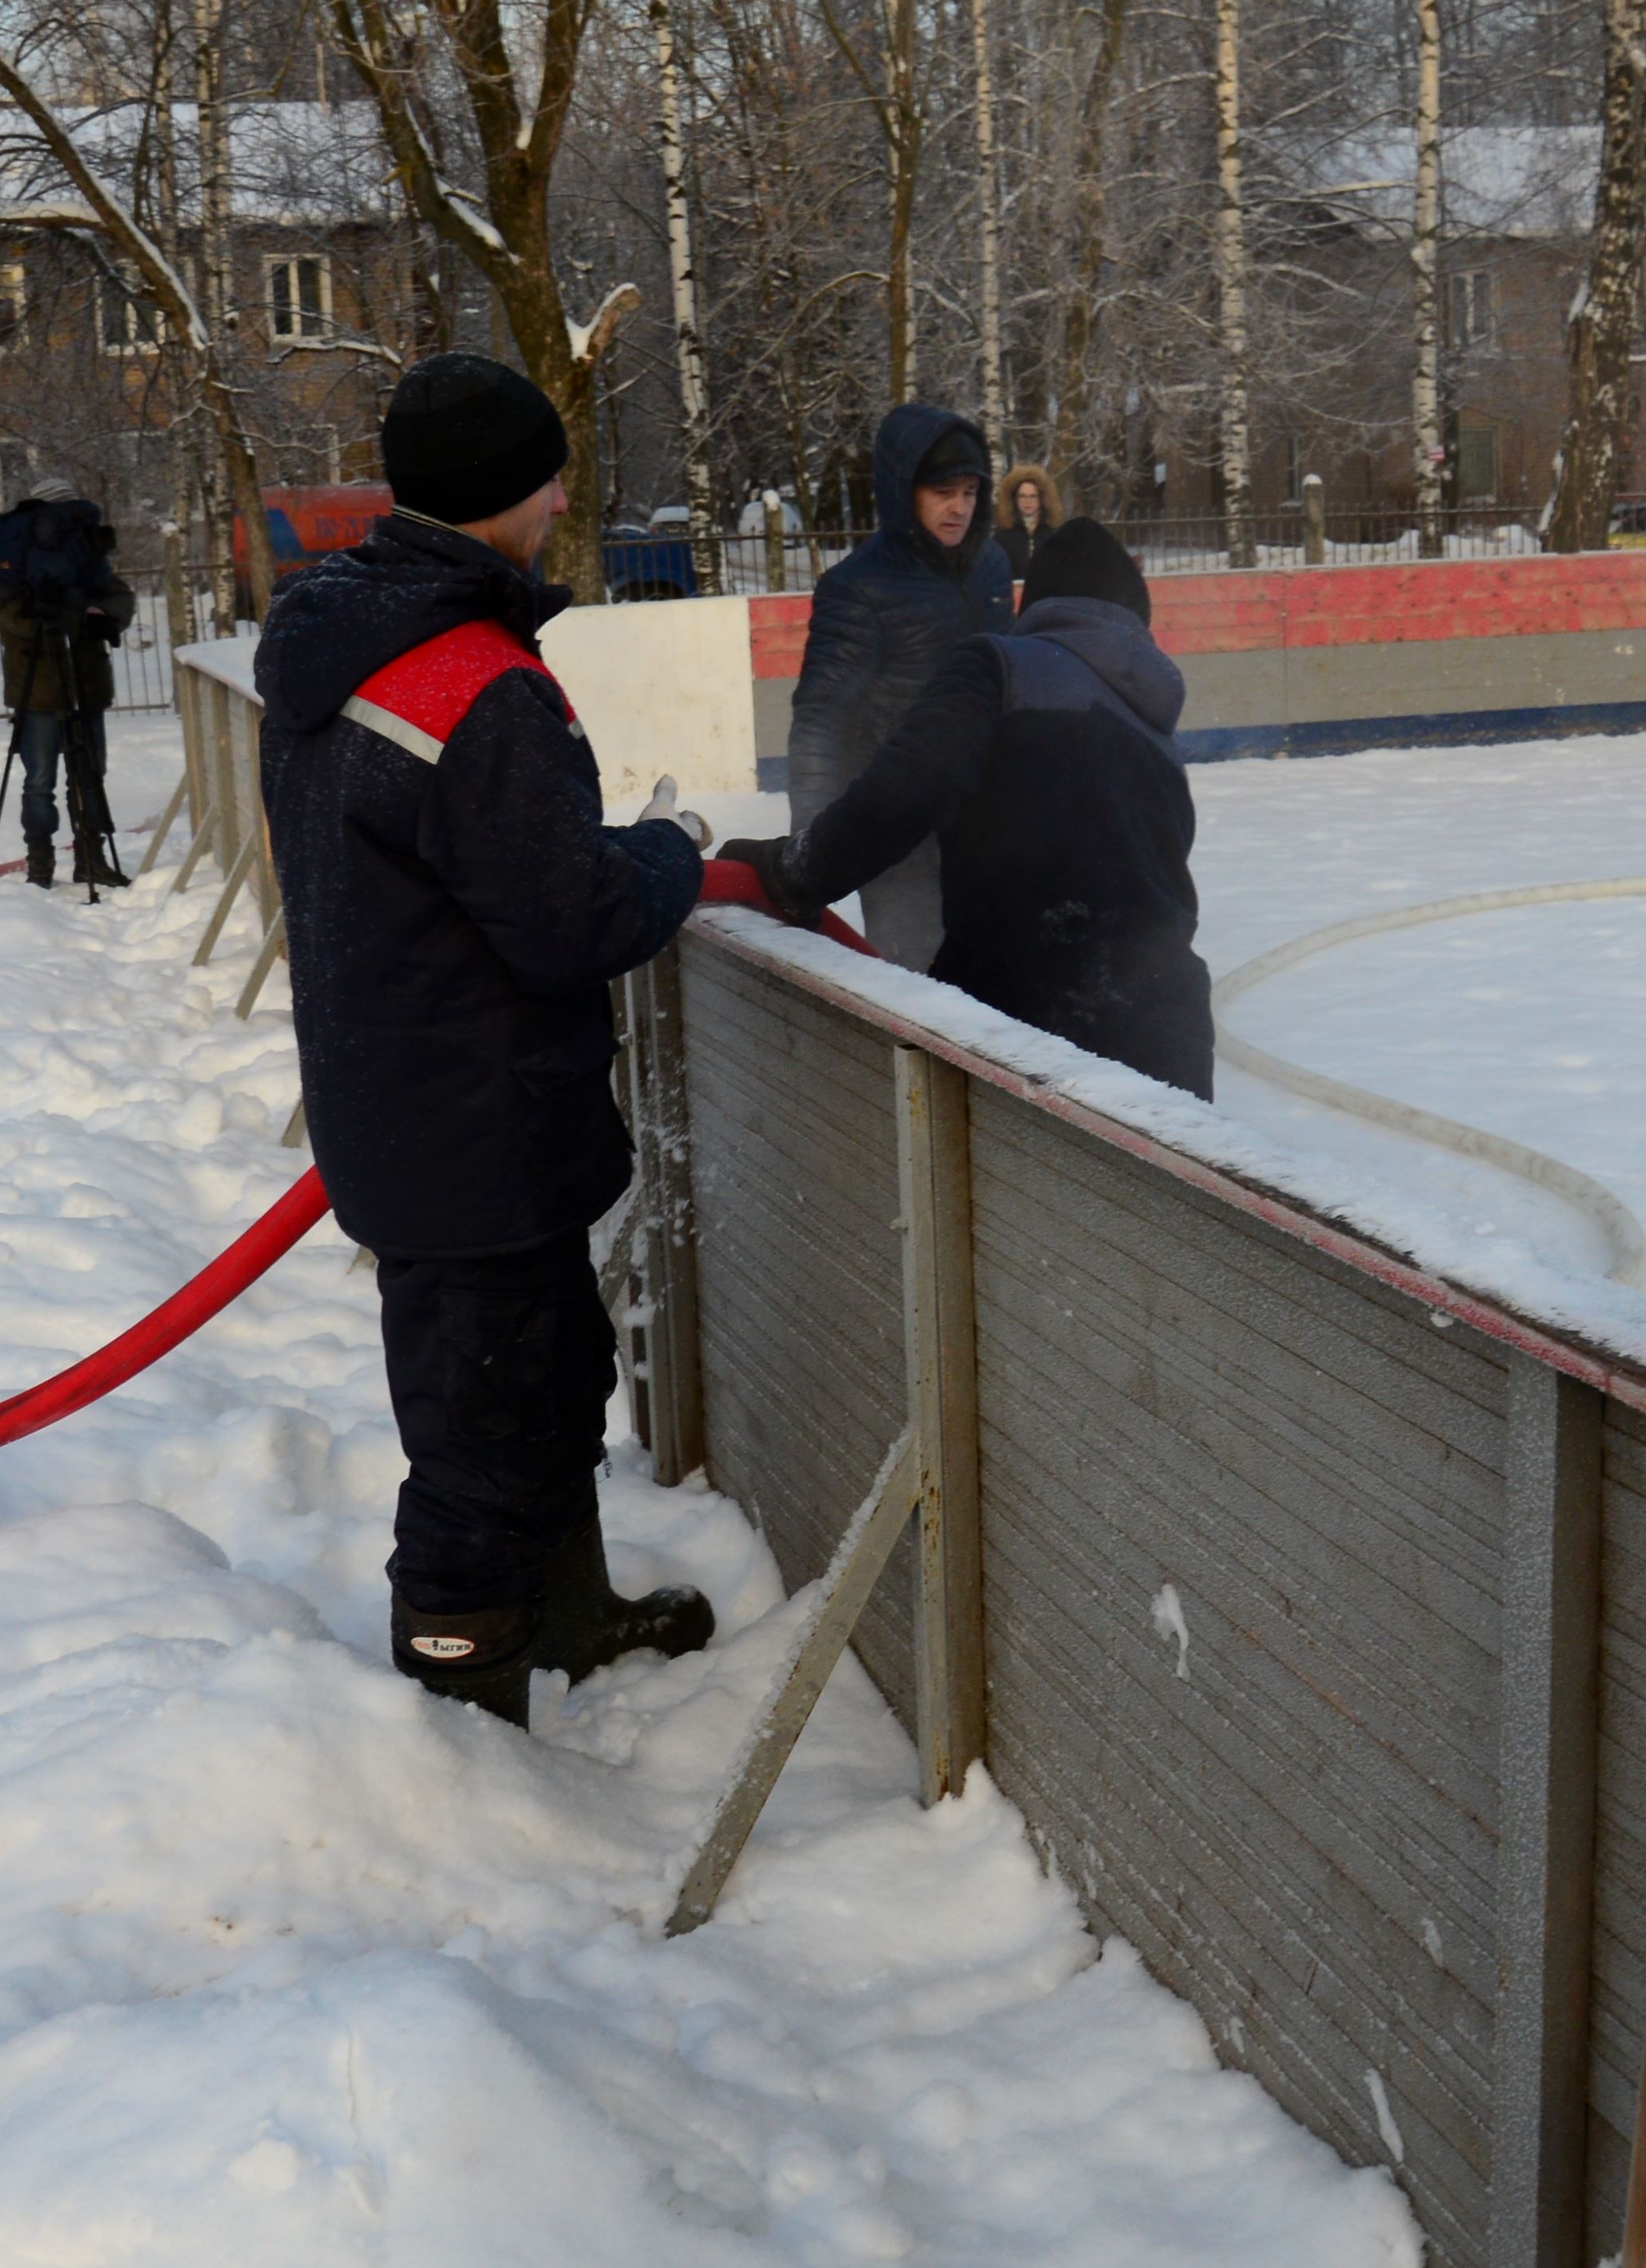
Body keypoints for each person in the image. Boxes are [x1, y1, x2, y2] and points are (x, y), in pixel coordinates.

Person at [256, 354, 721, 1725]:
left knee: (544, 1375)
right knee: (479, 1430)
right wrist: (671, 852)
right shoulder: (476, 682)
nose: (567, 492)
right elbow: (565, 916)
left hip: (409, 1094)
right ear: (507, 494)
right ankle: (461, 1712)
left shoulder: (339, 636)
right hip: (475, 1118)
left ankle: (563, 1608)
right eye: (551, 471)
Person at [721, 517, 1214, 1096]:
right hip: (1169, 1044)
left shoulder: (999, 666)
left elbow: (903, 791)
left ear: (1033, 603)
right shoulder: (1158, 739)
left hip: (1027, 1028)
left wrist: (792, 874)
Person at [785, 401, 1013, 971]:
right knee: (921, 987)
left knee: (999, 977)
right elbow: (820, 718)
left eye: (968, 491)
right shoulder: (858, 587)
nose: (958, 507)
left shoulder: (990, 566)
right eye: (942, 492)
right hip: (899, 824)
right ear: (902, 490)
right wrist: (806, 842)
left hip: (985, 816)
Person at [0, 473, 135, 888]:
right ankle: (41, 862)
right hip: (41, 685)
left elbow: (119, 596)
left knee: (85, 776)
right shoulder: (13, 566)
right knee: (41, 780)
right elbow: (17, 623)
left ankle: (89, 857)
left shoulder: (84, 561)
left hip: (82, 682)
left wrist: (93, 613)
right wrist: (70, 612)